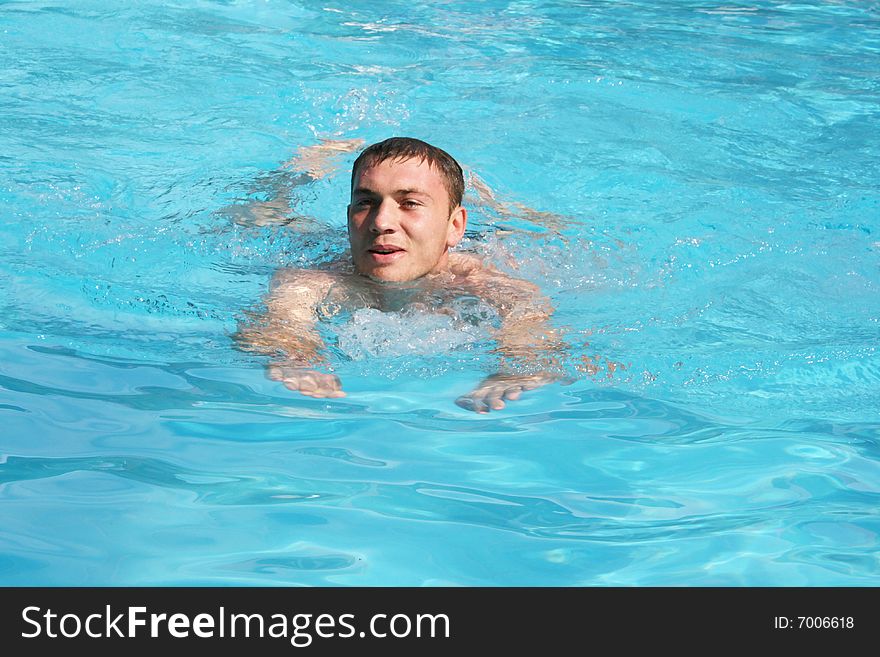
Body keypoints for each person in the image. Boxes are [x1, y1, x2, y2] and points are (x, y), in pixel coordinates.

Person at [235, 137, 570, 413]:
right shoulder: (310, 279)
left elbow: (529, 321)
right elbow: (280, 322)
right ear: (349, 215)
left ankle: (491, 199)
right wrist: (295, 358)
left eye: (408, 203)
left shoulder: (478, 280)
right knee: (258, 218)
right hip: (311, 240)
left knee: (545, 229)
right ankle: (305, 167)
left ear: (455, 227)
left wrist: (518, 367)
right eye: (366, 202)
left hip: (490, 237)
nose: (381, 222)